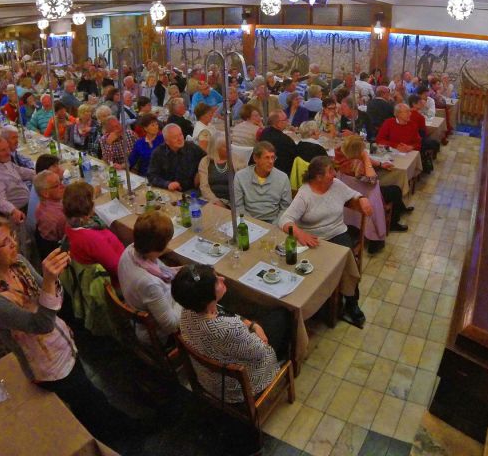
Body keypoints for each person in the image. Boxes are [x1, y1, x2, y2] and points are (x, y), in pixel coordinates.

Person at [0, 215, 130, 448]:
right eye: (4, 242)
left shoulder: (19, 262)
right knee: (90, 403)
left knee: (90, 397)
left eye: (11, 235)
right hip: (47, 364)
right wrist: (50, 282)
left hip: (62, 343)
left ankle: (119, 430)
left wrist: (51, 284)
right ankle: (120, 440)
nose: (14, 243)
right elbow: (40, 324)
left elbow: (56, 298)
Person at [172, 264, 289, 403]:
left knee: (259, 317)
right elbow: (261, 351)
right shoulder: (228, 328)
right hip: (236, 387)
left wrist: (253, 325)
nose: (222, 278)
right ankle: (282, 359)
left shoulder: (188, 311)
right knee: (282, 316)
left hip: (208, 377)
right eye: (216, 281)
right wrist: (257, 329)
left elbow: (226, 313)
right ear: (206, 296)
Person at [279, 156, 370, 327]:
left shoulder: (336, 185)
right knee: (306, 267)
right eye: (330, 171)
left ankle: (351, 302)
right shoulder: (305, 194)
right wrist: (300, 234)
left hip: (337, 232)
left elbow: (354, 193)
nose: (334, 174)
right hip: (314, 238)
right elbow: (285, 220)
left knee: (346, 261)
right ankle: (316, 304)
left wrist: (363, 198)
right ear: (318, 177)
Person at [117, 211, 182, 344]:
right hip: (156, 333)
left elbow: (160, 269)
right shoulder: (148, 283)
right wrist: (186, 295)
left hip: (153, 305)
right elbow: (172, 326)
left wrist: (178, 272)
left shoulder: (131, 250)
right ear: (160, 247)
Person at [335, 134, 410, 233]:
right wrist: (366, 157)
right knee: (396, 190)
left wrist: (380, 164)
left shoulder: (341, 157)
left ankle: (401, 208)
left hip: (350, 191)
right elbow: (372, 180)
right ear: (360, 151)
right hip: (366, 195)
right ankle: (393, 223)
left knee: (391, 187)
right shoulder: (358, 165)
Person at [62, 182, 126, 282]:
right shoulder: (92, 239)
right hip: (118, 279)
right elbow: (117, 268)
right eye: (93, 199)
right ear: (89, 206)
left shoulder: (70, 224)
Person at [233, 141, 291, 224]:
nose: (271, 161)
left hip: (274, 222)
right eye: (267, 158)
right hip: (249, 221)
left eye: (273, 157)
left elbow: (285, 208)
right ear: (256, 158)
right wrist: (251, 223)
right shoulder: (240, 176)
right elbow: (238, 206)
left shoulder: (283, 178)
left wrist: (274, 225)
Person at [0, 137, 36, 223]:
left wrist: (38, 173)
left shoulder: (2, 160)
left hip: (26, 199)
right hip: (20, 211)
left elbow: (19, 171)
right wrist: (13, 211)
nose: (8, 152)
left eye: (8, 148)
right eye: (3, 150)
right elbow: (0, 201)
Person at [147, 123, 205, 192]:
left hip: (191, 190)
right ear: (167, 141)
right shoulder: (158, 153)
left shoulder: (192, 148)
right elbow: (151, 176)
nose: (180, 139)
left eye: (180, 135)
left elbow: (207, 159)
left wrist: (200, 173)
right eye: (175, 137)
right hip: (169, 191)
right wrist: (167, 184)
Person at [198, 130, 245, 206]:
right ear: (216, 148)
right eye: (226, 147)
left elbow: (244, 183)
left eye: (230, 144)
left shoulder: (237, 159)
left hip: (232, 201)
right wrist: (215, 201)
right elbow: (204, 187)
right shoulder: (205, 161)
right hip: (210, 200)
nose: (230, 148)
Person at [33, 169, 67, 256]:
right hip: (60, 252)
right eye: (57, 185)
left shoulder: (41, 206)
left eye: (61, 182)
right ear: (45, 194)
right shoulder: (60, 217)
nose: (63, 186)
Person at [258, 110, 297, 176]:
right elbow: (296, 154)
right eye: (285, 120)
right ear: (278, 123)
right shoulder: (285, 140)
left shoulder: (265, 131)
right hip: (281, 172)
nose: (287, 122)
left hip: (263, 168)